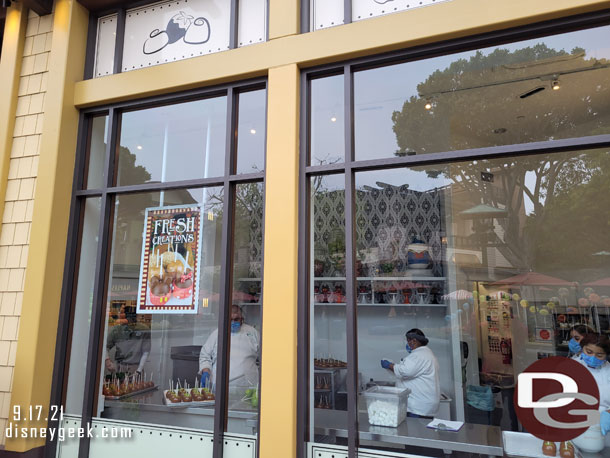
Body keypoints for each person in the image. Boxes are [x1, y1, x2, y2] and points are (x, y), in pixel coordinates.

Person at [380, 328, 440, 418]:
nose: (407, 344)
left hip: (418, 406)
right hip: (422, 404)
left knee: (415, 430)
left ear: (414, 341)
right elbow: (408, 372)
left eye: (408, 341)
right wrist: (394, 367)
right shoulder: (426, 354)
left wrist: (389, 365)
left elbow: (405, 371)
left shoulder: (420, 355)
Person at [199, 304, 260, 389]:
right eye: (230, 319)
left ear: (242, 319)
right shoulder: (217, 333)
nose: (233, 322)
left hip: (248, 385)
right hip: (220, 385)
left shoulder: (252, 333)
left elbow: (265, 356)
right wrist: (206, 371)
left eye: (236, 319)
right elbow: (205, 355)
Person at [572, 333, 610, 436]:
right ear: (582, 348)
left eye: (599, 355)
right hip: (574, 423)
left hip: (603, 428)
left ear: (606, 355)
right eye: (589, 352)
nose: (593, 357)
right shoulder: (569, 368)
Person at [105, 305, 150, 374]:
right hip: (120, 366)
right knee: (117, 384)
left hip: (135, 366)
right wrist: (108, 361)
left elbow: (146, 352)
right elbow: (105, 347)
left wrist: (139, 370)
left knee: (135, 384)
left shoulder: (143, 329)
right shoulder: (117, 329)